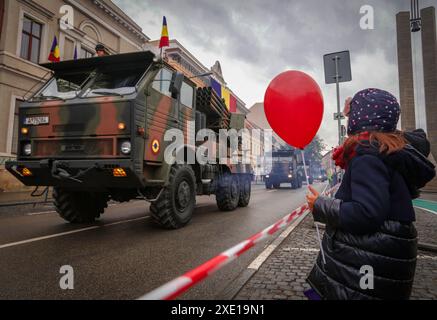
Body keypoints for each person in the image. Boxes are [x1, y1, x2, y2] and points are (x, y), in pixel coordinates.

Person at [305, 88, 436, 300]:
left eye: (353, 115)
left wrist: (319, 205)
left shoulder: (367, 155)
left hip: (366, 260)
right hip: (381, 256)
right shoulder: (388, 151)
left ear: (359, 121)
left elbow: (366, 213)